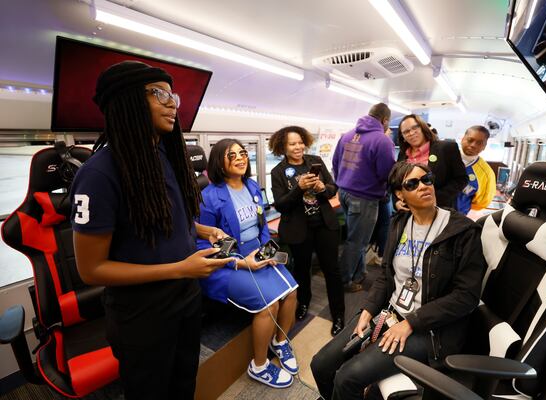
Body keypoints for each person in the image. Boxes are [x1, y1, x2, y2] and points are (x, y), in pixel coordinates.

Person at [71, 61, 233, 400]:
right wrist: (179, 269)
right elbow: (91, 269)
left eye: (172, 94)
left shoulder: (163, 155)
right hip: (143, 317)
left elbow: (163, 221)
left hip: (186, 300)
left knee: (183, 386)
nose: (172, 102)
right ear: (127, 100)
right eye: (159, 94)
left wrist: (203, 230)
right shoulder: (98, 174)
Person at [310, 162, 485, 400]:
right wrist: (368, 310)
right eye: (412, 184)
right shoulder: (399, 224)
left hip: (430, 329)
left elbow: (466, 297)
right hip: (389, 313)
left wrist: (411, 322)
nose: (423, 186)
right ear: (399, 195)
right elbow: (385, 274)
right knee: (321, 364)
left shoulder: (463, 231)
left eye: (427, 179)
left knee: (348, 376)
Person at [196, 139, 299, 389]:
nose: (240, 158)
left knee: (293, 291)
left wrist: (265, 251)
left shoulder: (252, 186)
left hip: (256, 255)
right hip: (227, 264)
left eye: (243, 153)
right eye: (232, 155)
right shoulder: (208, 197)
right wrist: (241, 264)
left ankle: (280, 341)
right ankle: (260, 366)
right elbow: (204, 247)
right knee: (270, 303)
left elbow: (262, 225)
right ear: (219, 161)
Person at [269, 126, 345, 336]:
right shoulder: (278, 172)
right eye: (293, 144)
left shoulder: (315, 162)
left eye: (301, 142)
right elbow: (281, 205)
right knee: (302, 269)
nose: (298, 147)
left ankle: (339, 314)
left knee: (332, 270)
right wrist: (299, 188)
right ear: (283, 147)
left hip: (325, 226)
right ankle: (303, 303)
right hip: (298, 230)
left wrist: (322, 188)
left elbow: (333, 188)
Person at [332, 103, 396, 292]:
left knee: (357, 238)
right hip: (365, 198)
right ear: (385, 121)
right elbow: (387, 173)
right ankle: (344, 281)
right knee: (356, 241)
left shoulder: (347, 135)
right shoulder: (382, 140)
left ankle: (358, 274)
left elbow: (335, 163)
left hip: (343, 193)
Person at [396, 114, 467, 210]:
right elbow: (397, 183)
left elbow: (461, 179)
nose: (411, 133)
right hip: (410, 210)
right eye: (406, 131)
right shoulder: (403, 154)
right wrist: (398, 201)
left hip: (439, 208)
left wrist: (435, 198)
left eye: (415, 127)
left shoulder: (447, 148)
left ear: (423, 128)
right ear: (403, 137)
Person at [455, 125, 496, 215]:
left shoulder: (487, 174)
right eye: (470, 140)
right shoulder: (444, 157)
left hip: (456, 218)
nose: (473, 145)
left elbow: (481, 203)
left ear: (484, 146)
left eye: (479, 143)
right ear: (462, 139)